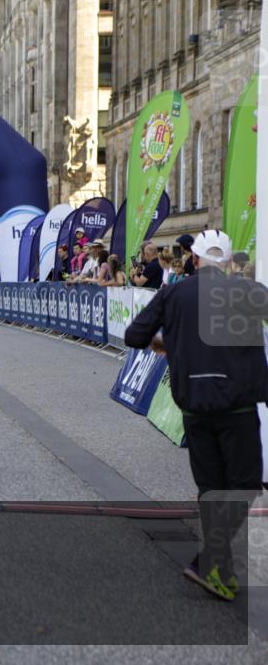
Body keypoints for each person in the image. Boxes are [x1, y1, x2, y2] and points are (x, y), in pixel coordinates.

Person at [125, 229, 267, 601]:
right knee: (246, 485)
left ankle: (218, 568)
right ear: (228, 262)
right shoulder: (246, 291)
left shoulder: (173, 293)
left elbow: (134, 336)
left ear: (197, 259)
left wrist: (169, 342)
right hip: (237, 406)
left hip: (194, 406)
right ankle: (211, 561)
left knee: (211, 487)